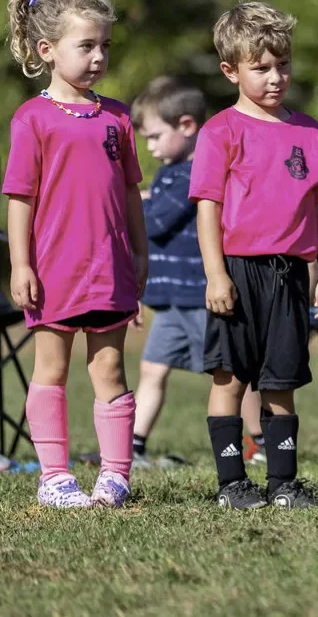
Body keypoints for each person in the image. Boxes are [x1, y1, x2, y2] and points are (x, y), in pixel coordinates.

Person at [189, 1, 318, 509]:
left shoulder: (310, 132)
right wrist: (216, 275)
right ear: (231, 71)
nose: (276, 78)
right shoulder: (220, 131)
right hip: (237, 271)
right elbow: (207, 209)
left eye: (283, 65)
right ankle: (232, 484)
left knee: (282, 380)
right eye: (262, 68)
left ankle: (283, 484)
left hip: (290, 274)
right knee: (230, 378)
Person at [2, 0, 147, 509]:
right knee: (52, 370)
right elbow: (20, 198)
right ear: (48, 50)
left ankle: (116, 476)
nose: (99, 56)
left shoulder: (118, 117)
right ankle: (55, 478)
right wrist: (21, 265)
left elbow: (130, 193)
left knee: (110, 370)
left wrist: (140, 253)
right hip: (53, 271)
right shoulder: (31, 119)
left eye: (105, 45)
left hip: (109, 267)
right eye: (86, 46)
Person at [129, 77, 207, 465]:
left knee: (230, 374)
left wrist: (130, 205)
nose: (150, 147)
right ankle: (133, 446)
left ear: (186, 126)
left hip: (201, 297)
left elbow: (156, 222)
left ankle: (259, 441)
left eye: (156, 137)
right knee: (152, 368)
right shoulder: (170, 173)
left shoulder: (197, 171)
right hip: (172, 301)